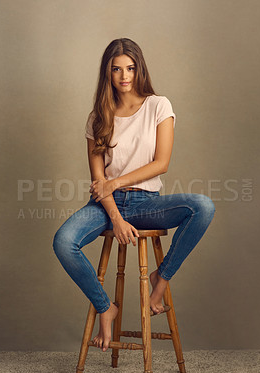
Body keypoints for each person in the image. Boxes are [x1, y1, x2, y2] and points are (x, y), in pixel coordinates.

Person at [52, 38, 215, 352]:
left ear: (139, 68)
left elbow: (161, 163)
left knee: (202, 206)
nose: (124, 75)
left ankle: (161, 277)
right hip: (105, 206)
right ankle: (105, 308)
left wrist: (115, 184)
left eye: (130, 67)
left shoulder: (158, 105)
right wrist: (115, 215)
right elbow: (99, 182)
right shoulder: (97, 117)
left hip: (145, 203)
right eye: (116, 69)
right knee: (63, 241)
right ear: (107, 73)